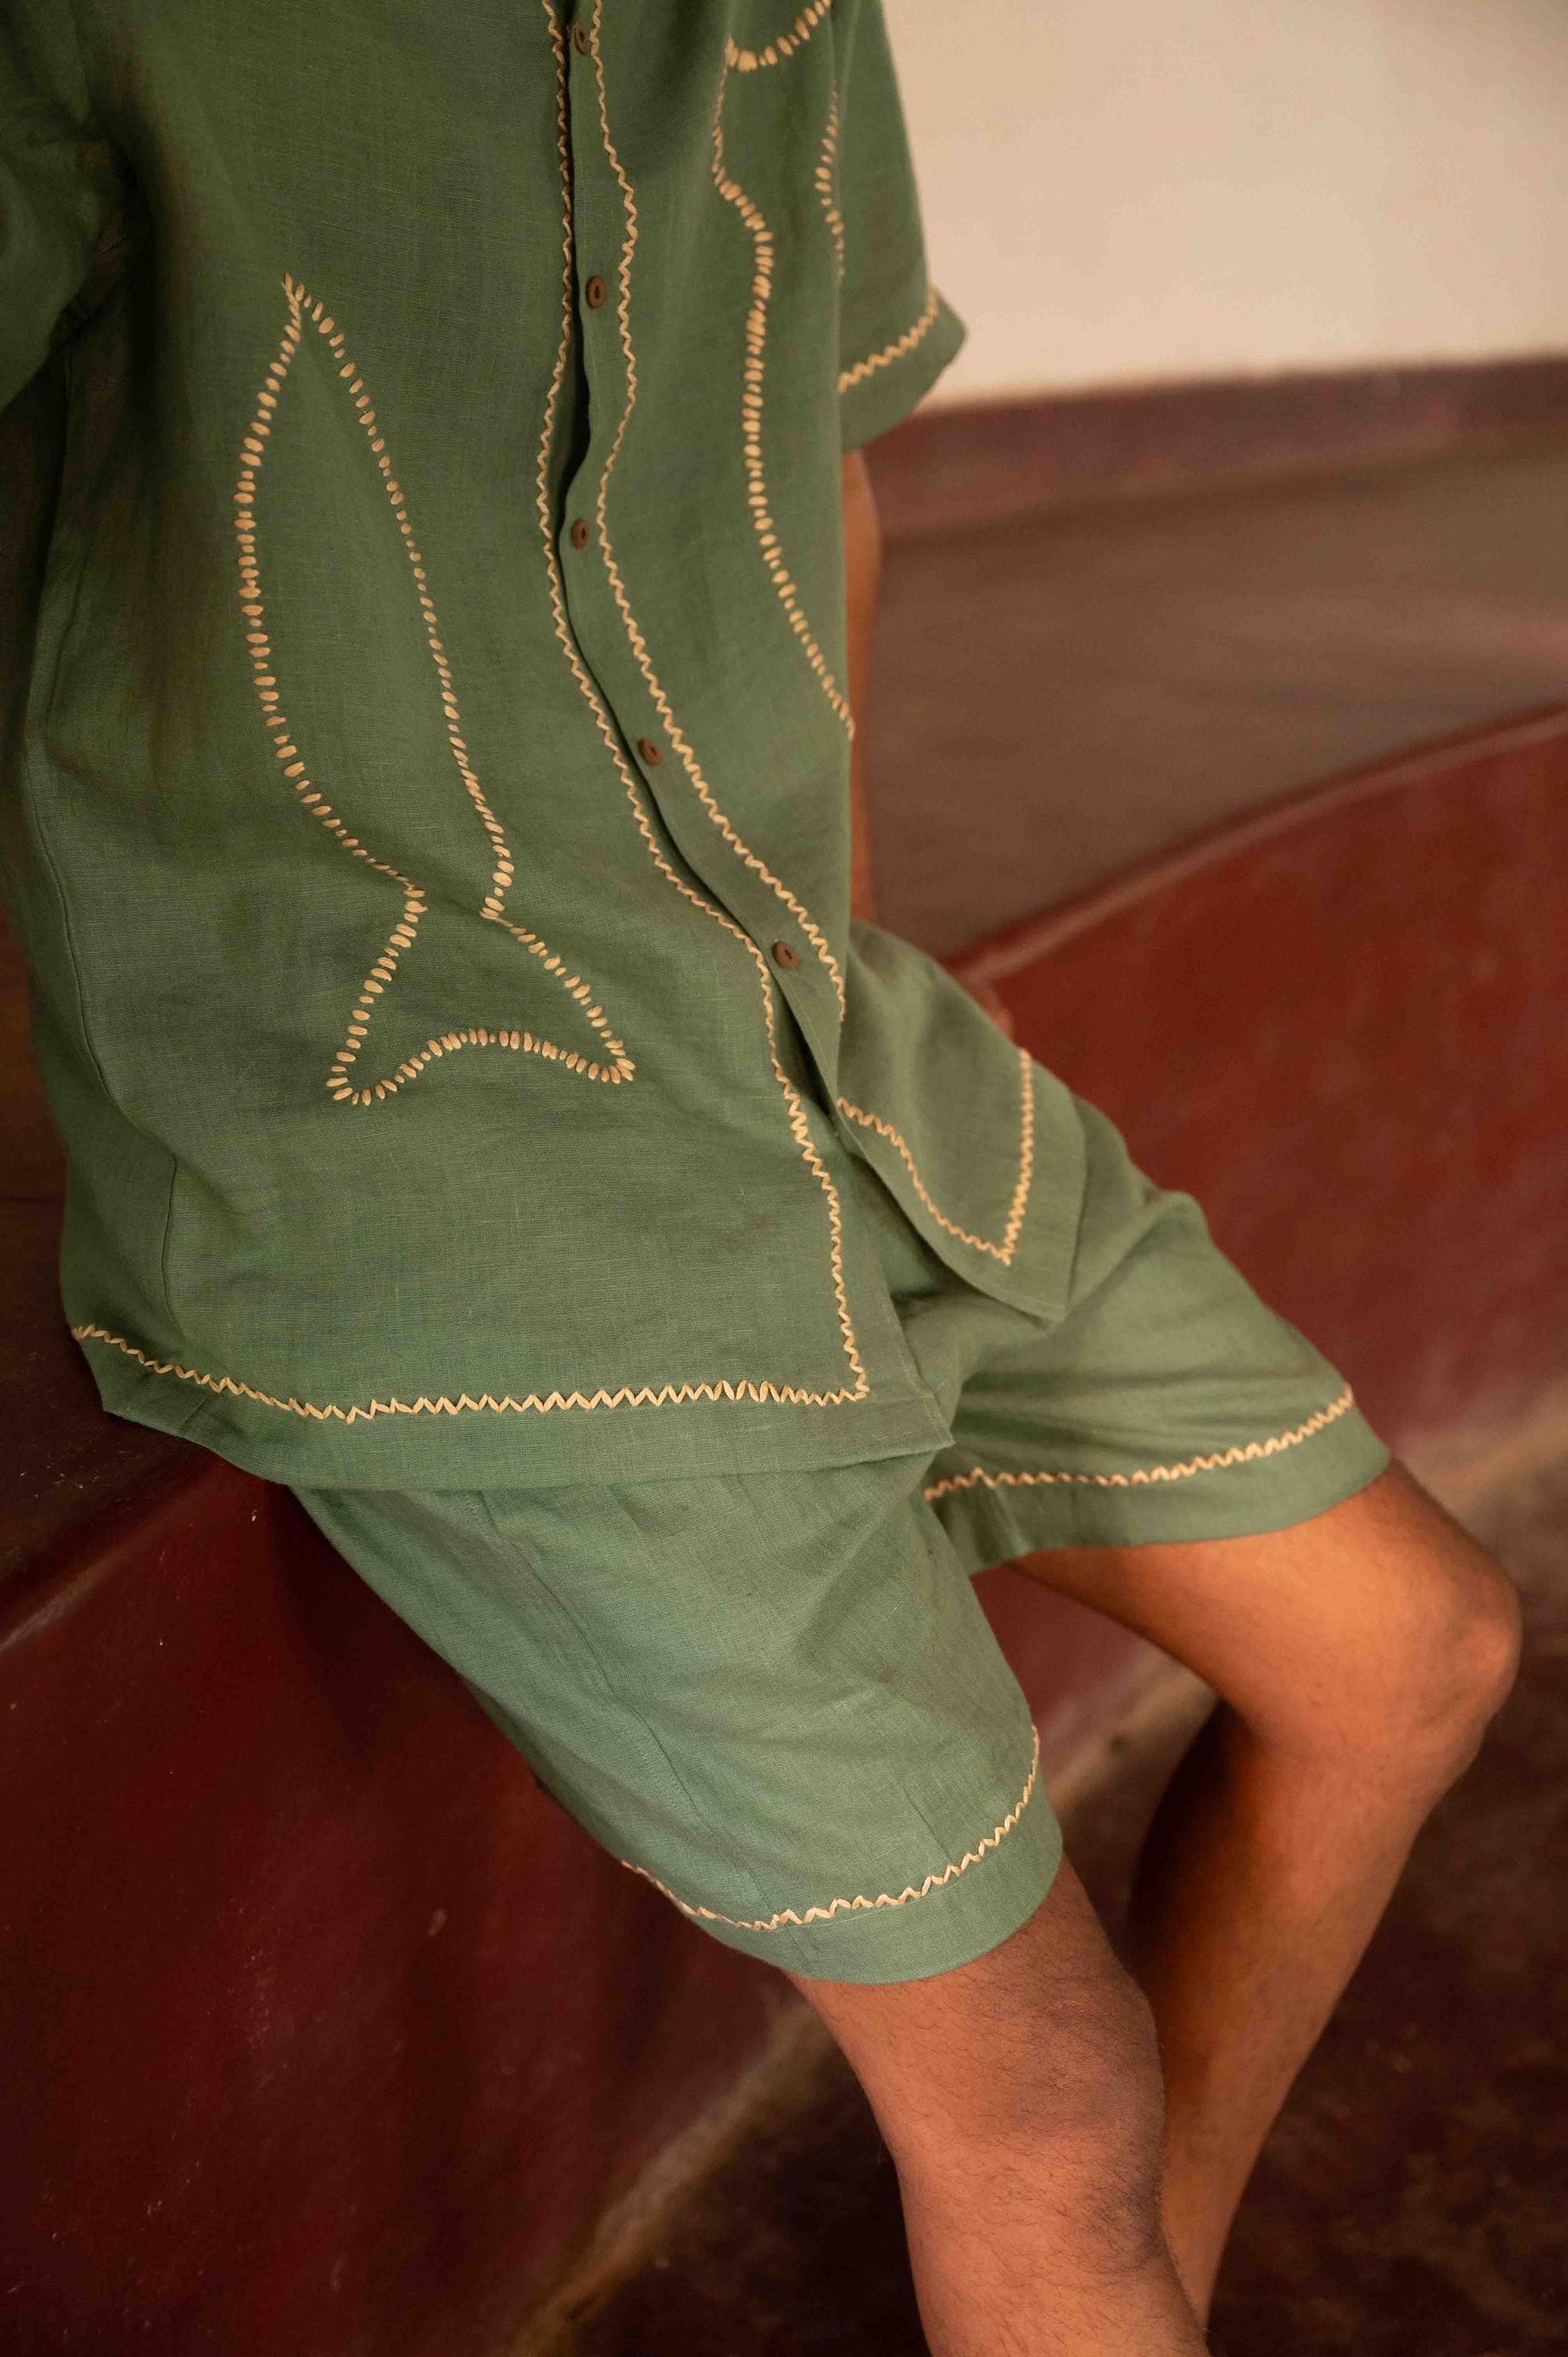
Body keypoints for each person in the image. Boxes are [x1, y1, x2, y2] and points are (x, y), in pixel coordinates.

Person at [0, 4, 1521, 2347]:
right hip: (431, 1165)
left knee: (1406, 1651)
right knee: (1031, 2100)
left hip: (813, 1041)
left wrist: (826, 926)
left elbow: (823, 457)